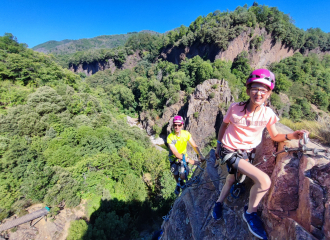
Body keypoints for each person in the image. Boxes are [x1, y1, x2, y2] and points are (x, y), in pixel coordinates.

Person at [212, 69, 309, 240]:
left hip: (247, 152)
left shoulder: (267, 114)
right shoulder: (235, 108)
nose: (259, 93)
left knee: (231, 179)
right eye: (255, 88)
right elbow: (224, 126)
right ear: (248, 90)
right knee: (264, 180)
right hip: (229, 150)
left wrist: (293, 135)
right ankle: (250, 213)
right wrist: (219, 145)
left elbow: (274, 136)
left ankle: (218, 202)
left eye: (264, 90)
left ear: (269, 93)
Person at [167, 115, 205, 195]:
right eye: (175, 125)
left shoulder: (186, 134)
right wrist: (191, 161)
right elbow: (175, 153)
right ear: (173, 125)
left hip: (183, 158)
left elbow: (194, 145)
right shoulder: (170, 137)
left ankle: (180, 182)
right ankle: (178, 183)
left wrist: (199, 154)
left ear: (182, 125)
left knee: (183, 175)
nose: (177, 127)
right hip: (174, 158)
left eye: (179, 125)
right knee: (175, 173)